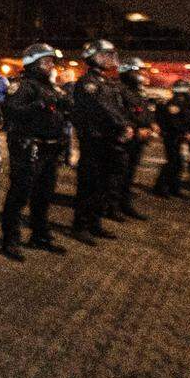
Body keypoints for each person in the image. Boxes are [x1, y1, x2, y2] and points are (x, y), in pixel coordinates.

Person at [1, 43, 69, 259]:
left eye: (51, 62)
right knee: (20, 195)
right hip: (29, 148)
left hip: (49, 149)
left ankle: (40, 234)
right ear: (32, 63)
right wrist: (37, 105)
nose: (50, 65)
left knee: (43, 196)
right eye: (45, 61)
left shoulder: (50, 86)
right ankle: (10, 239)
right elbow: (11, 110)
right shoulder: (23, 86)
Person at [70, 39, 132, 245]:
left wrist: (124, 125)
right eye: (103, 55)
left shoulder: (105, 82)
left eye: (109, 55)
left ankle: (95, 223)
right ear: (93, 58)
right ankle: (81, 226)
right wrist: (123, 126)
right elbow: (103, 109)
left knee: (103, 186)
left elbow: (119, 108)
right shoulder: (88, 83)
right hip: (93, 141)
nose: (108, 58)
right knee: (89, 185)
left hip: (107, 141)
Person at [115, 57, 154, 220]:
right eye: (140, 71)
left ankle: (124, 203)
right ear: (130, 72)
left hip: (138, 140)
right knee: (118, 175)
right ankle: (112, 206)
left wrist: (151, 125)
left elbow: (144, 112)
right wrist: (137, 129)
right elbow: (119, 115)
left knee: (129, 174)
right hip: (125, 140)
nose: (143, 74)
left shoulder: (138, 91)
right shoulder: (119, 90)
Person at [154, 80, 190, 197]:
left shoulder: (189, 103)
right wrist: (186, 133)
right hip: (174, 137)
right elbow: (174, 122)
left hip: (185, 137)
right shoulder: (174, 103)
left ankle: (174, 188)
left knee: (179, 164)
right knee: (173, 162)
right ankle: (161, 187)